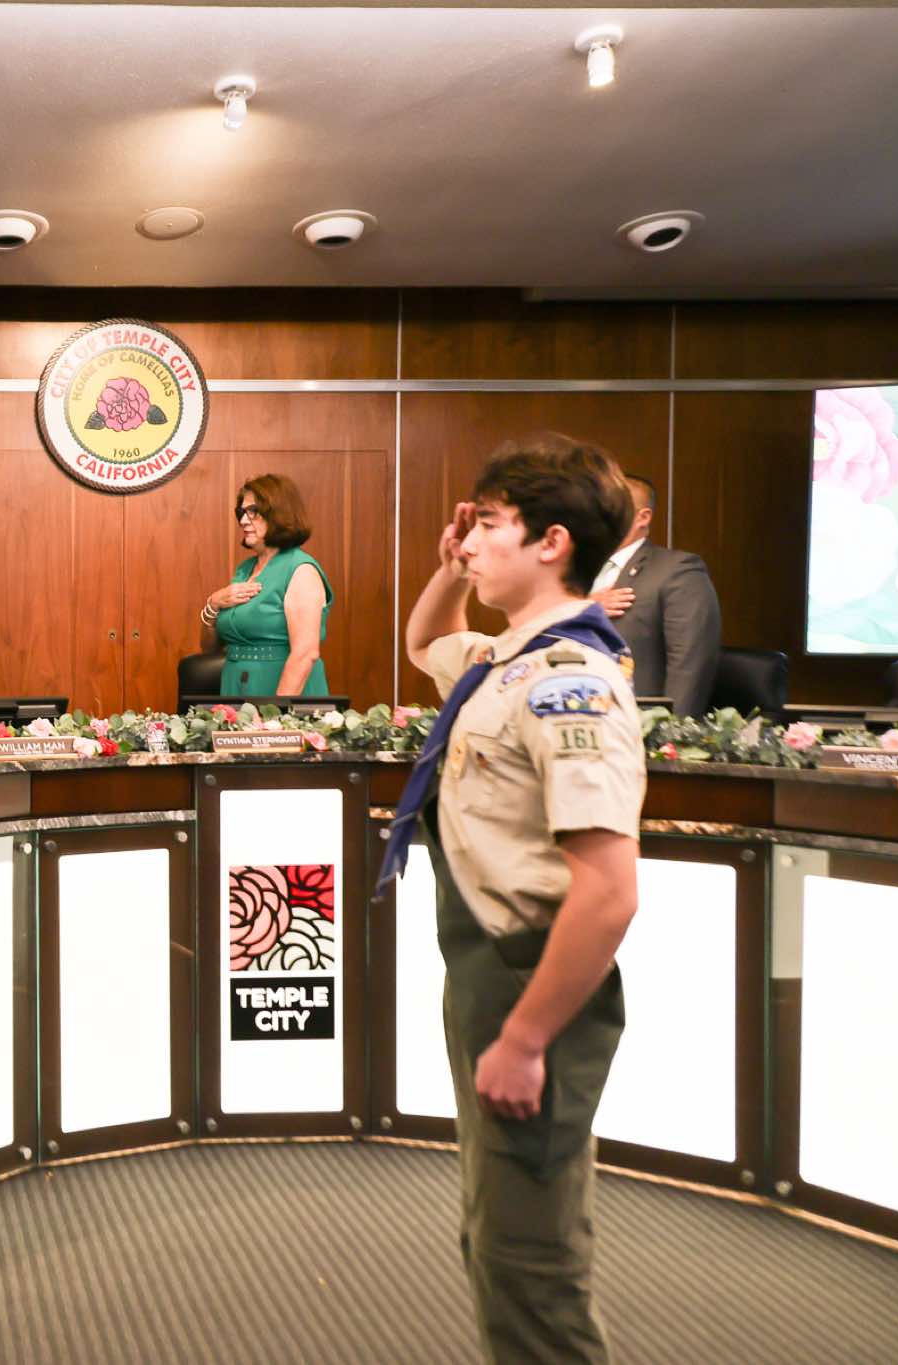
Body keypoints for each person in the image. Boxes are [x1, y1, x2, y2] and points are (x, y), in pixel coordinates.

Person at [385, 432, 645, 1363]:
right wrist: (447, 564)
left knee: (531, 1265)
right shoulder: (506, 658)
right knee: (497, 1240)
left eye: (490, 525)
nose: (471, 542)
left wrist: (528, 1039)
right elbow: (422, 642)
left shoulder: (568, 681)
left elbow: (608, 891)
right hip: (488, 968)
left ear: (552, 542)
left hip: (534, 977)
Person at [589, 473, 723, 716]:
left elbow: (690, 665)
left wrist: (671, 732)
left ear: (642, 517)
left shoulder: (676, 570)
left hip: (638, 721)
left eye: (610, 506)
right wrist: (584, 607)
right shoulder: (575, 570)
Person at [200, 474, 333, 697]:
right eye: (241, 513)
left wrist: (273, 714)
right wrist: (213, 604)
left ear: (279, 513)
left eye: (253, 511)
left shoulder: (301, 570)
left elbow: (305, 654)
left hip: (283, 698)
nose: (243, 521)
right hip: (236, 690)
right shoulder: (244, 570)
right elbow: (209, 649)